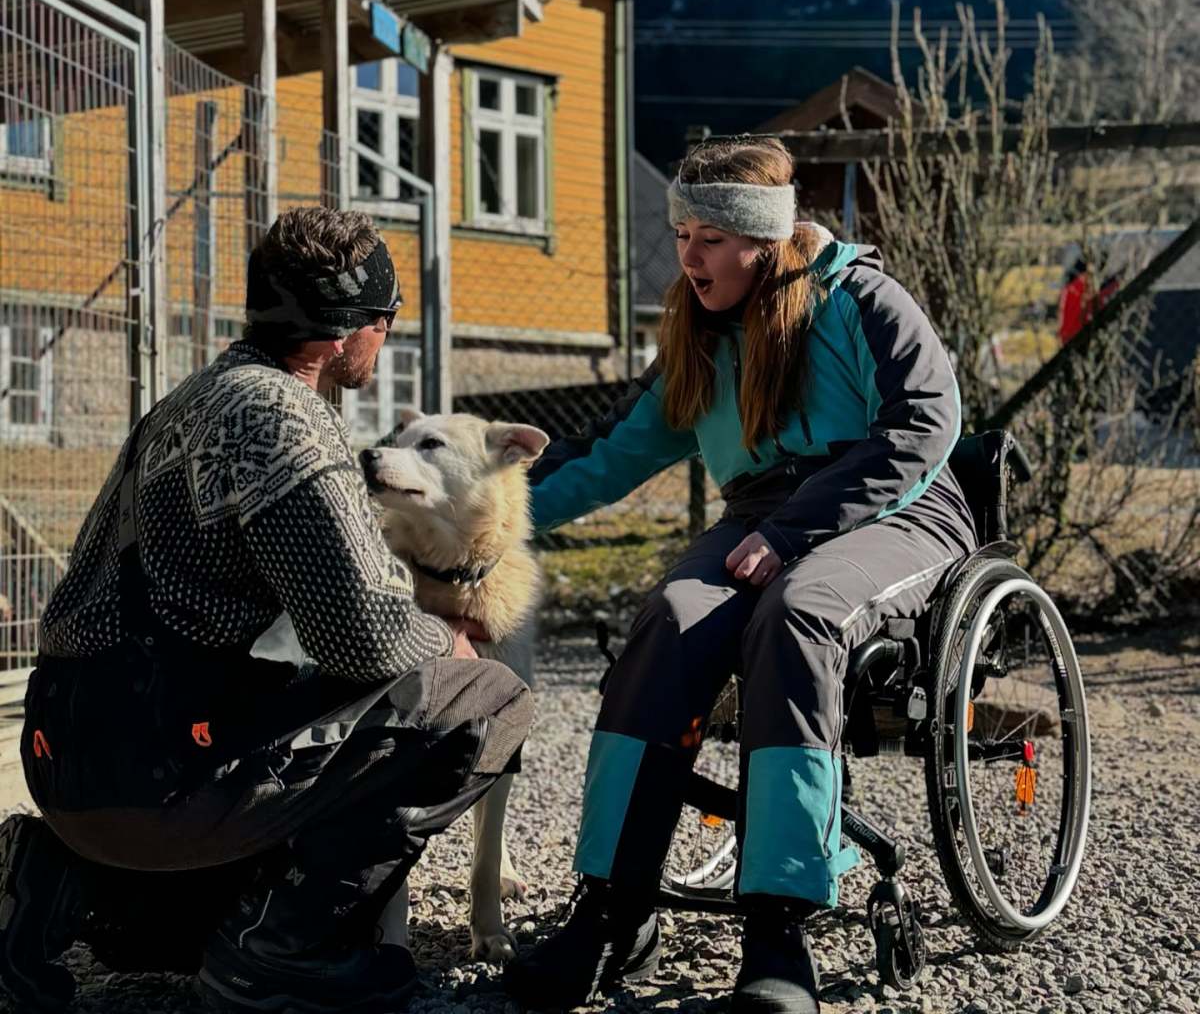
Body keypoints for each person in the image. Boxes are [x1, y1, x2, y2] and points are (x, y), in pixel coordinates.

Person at [0, 207, 532, 1014]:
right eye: (384, 321)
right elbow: (363, 636)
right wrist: (450, 638)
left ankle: (51, 880)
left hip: (69, 765)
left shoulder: (190, 396)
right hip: (165, 778)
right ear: (345, 331)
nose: (385, 334)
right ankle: (285, 949)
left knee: (179, 936)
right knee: (487, 700)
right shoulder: (285, 423)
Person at [504, 138, 977, 1014]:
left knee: (800, 610)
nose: (689, 255)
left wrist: (799, 529)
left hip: (897, 511)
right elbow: (610, 455)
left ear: (763, 239)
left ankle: (777, 927)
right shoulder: (699, 332)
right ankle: (612, 908)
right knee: (670, 620)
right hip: (761, 516)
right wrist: (482, 521)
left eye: (712, 237)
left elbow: (922, 424)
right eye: (682, 232)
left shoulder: (859, 296)